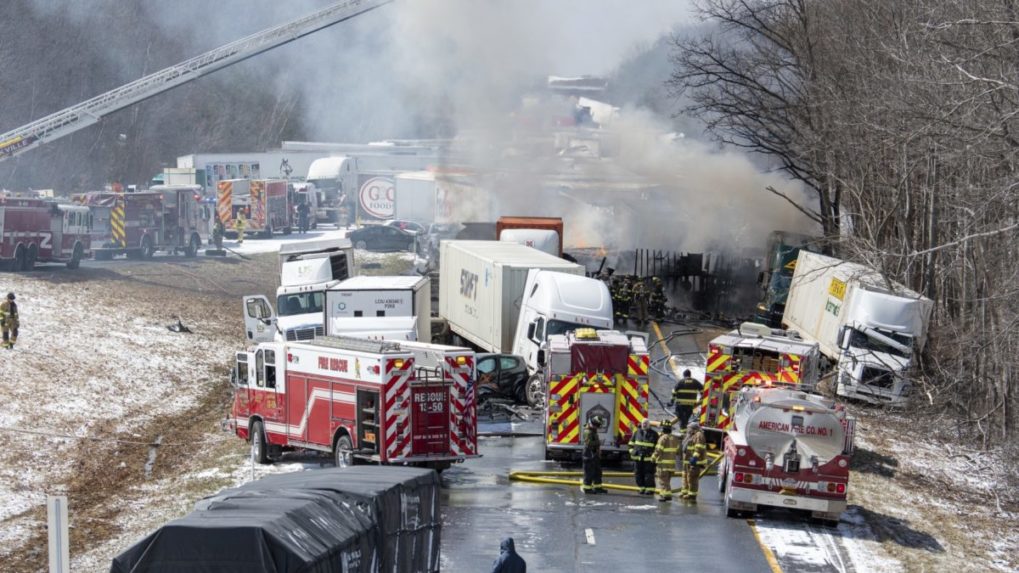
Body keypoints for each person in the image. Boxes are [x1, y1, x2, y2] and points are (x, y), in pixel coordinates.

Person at [650, 419, 681, 501]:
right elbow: (678, 452)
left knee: (663, 481)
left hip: (663, 465)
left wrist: (653, 458)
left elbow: (658, 450)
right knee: (667, 481)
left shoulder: (662, 438)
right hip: (671, 465)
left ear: (663, 429)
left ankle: (666, 496)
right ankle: (665, 494)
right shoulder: (675, 438)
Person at [628, 418, 659, 495]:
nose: (644, 425)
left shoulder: (654, 434)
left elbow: (658, 447)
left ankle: (650, 489)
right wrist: (632, 452)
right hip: (637, 458)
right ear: (641, 424)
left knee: (648, 474)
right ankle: (641, 488)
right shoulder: (637, 433)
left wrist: (654, 456)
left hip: (649, 459)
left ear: (649, 424)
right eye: (643, 423)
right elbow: (630, 444)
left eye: (646, 423)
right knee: (638, 474)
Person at [681, 421, 707, 501]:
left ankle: (692, 495)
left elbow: (698, 447)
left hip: (695, 462)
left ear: (693, 429)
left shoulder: (698, 435)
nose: (688, 430)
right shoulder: (690, 435)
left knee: (692, 478)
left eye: (689, 428)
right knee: (686, 477)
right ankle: (685, 492)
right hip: (687, 461)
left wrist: (695, 458)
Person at [581, 416, 607, 494]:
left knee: (597, 471)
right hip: (589, 454)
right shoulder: (588, 431)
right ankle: (587, 488)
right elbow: (589, 443)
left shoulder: (593, 430)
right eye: (597, 425)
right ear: (593, 424)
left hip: (594, 453)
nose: (597, 427)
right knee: (589, 472)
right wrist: (599, 443)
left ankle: (598, 487)